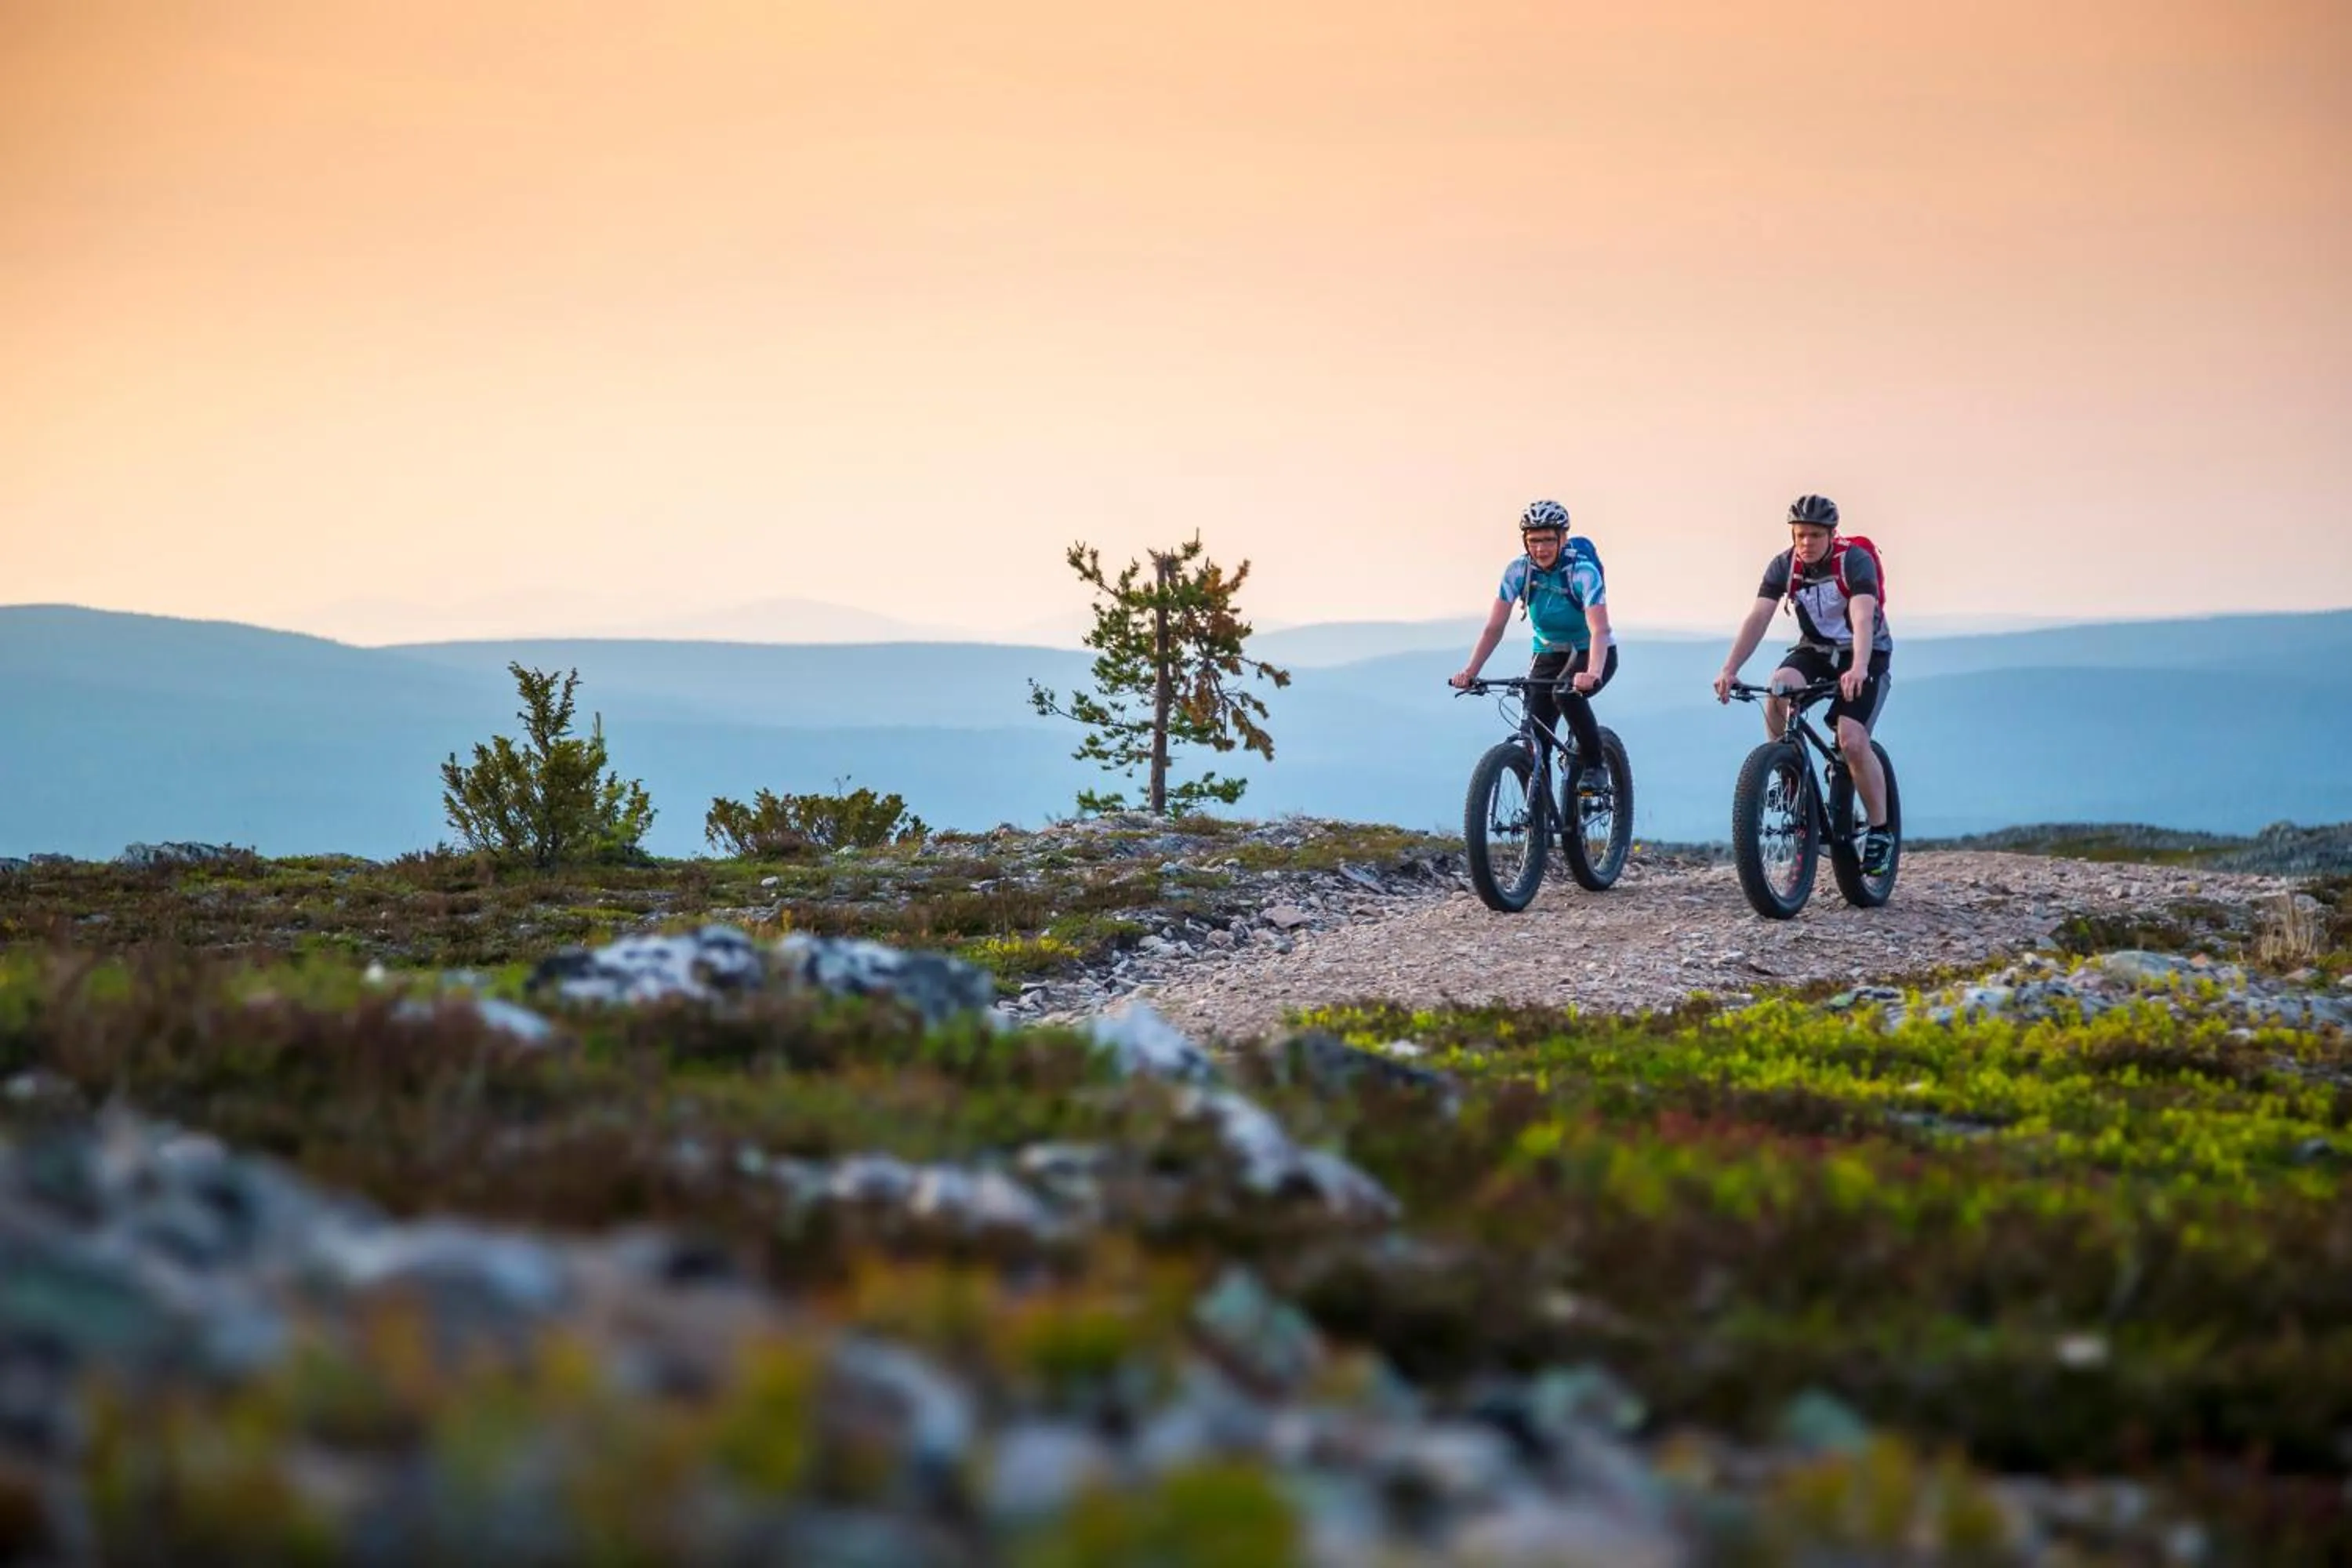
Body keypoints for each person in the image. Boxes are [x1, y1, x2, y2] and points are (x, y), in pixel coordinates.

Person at [1711, 492, 1895, 873]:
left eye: (1814, 535)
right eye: (1800, 535)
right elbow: (1758, 618)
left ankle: (1880, 831)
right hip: (1816, 650)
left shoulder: (1853, 562)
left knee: (1851, 739)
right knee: (1779, 686)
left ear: (1831, 534)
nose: (1806, 543)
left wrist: (1859, 666)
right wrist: (1729, 668)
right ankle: (1788, 774)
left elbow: (1862, 618)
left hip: (1866, 653)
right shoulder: (1785, 566)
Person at [1450, 499, 1617, 764]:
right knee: (1535, 740)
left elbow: (1600, 630)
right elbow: (1494, 628)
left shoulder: (1583, 573)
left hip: (1592, 652)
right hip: (1547, 654)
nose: (1540, 549)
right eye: (1533, 540)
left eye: (1548, 540)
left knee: (1566, 696)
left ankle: (1594, 766)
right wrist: (1471, 672)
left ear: (1563, 538)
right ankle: (1537, 803)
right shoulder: (1518, 571)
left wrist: (1593, 673)